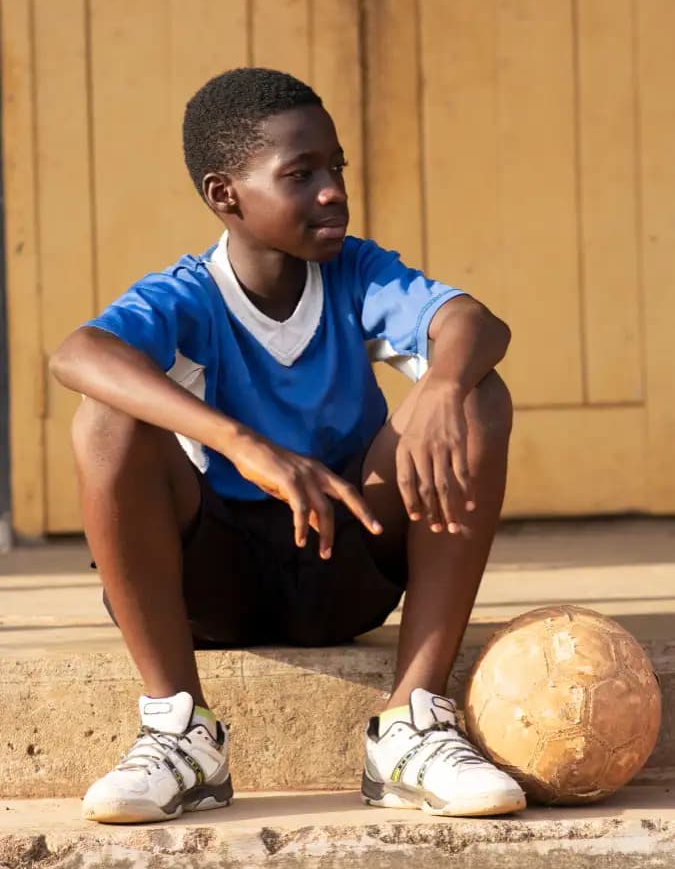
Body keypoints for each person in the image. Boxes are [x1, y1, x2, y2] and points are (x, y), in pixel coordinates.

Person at [50, 67, 525, 825]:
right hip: (215, 587)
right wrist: (241, 444)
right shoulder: (187, 295)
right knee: (106, 417)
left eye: (335, 167)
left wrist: (439, 386)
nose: (332, 189)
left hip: (348, 566)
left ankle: (412, 725)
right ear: (224, 196)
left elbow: (474, 322)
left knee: (475, 390)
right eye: (299, 175)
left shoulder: (356, 273)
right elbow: (77, 354)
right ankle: (179, 734)